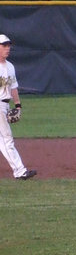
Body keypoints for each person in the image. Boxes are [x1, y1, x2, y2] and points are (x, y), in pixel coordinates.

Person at [0, 33, 37, 180]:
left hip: (5, 104)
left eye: (8, 46)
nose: (7, 48)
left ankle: (19, 170)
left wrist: (18, 105)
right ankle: (20, 171)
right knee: (7, 139)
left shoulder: (10, 67)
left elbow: (13, 87)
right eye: (4, 46)